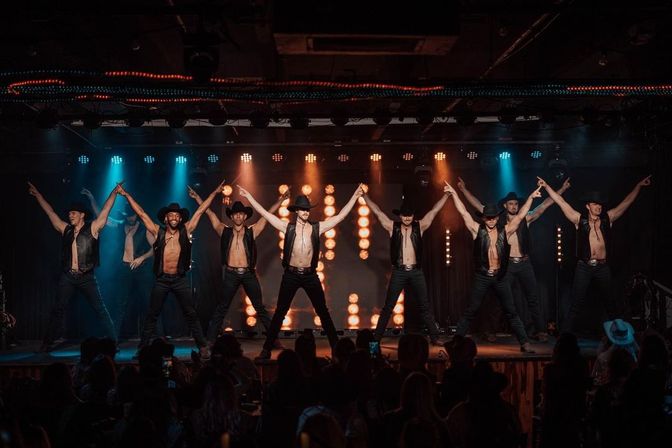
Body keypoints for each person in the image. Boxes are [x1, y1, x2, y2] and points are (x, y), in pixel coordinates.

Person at [238, 184, 365, 360]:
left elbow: (340, 216)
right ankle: (266, 349)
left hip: (310, 275)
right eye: (303, 210)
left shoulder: (316, 228)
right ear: (296, 211)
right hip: (291, 275)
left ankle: (336, 348)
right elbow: (265, 214)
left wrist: (355, 196)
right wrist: (249, 197)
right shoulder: (287, 227)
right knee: (280, 312)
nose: (306, 212)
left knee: (323, 312)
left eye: (308, 210)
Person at [116, 180, 225, 356]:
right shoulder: (157, 232)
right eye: (171, 215)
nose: (174, 218)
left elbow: (201, 210)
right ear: (166, 218)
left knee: (191, 314)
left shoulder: (186, 230)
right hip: (162, 280)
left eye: (176, 215)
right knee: (152, 315)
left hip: (179, 280)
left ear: (180, 218)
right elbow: (142, 213)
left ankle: (203, 346)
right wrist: (127, 195)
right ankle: (142, 348)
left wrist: (214, 192)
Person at [457, 177, 572, 341]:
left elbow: (545, 204)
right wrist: (463, 190)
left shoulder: (526, 217)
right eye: (511, 204)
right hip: (507, 264)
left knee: (533, 298)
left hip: (524, 263)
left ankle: (540, 331)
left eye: (516, 204)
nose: (514, 206)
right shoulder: (497, 220)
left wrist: (561, 190)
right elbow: (478, 205)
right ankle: (491, 332)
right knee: (498, 299)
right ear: (505, 205)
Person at [537, 175, 651, 331]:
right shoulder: (579, 220)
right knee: (576, 304)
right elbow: (560, 202)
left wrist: (638, 185)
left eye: (600, 204)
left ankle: (620, 337)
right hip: (584, 266)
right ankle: (565, 337)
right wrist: (546, 186)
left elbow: (626, 203)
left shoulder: (607, 219)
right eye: (595, 204)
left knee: (611, 304)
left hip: (603, 268)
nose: (599, 207)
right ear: (588, 206)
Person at [447, 181, 542, 352]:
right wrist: (455, 193)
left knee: (511, 310)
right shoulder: (477, 230)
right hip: (482, 277)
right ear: (483, 218)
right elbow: (463, 212)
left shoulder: (505, 231)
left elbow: (520, 216)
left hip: (500, 276)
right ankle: (456, 342)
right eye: (487, 218)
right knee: (471, 310)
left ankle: (524, 343)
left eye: (493, 217)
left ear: (498, 218)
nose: (490, 220)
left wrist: (531, 198)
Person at [187, 186, 289, 343]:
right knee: (221, 309)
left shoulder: (252, 231)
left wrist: (281, 200)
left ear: (244, 216)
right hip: (231, 274)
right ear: (232, 216)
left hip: (248, 274)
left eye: (241, 214)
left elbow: (267, 215)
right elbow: (208, 213)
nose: (238, 216)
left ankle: (274, 340)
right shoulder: (224, 230)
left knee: (260, 309)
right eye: (236, 214)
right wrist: (197, 198)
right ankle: (210, 341)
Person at [28, 181, 121, 352]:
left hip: (87, 277)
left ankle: (113, 342)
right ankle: (47, 343)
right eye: (70, 213)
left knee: (100, 310)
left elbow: (105, 211)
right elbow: (50, 213)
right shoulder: (65, 229)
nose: (70, 216)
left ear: (82, 215)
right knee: (58, 309)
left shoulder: (93, 227)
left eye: (73, 213)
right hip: (68, 277)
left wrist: (114, 193)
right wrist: (39, 196)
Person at [363, 185, 451, 345]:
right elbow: (377, 212)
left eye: (409, 215)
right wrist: (365, 196)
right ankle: (375, 341)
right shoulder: (392, 227)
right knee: (388, 307)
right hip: (399, 272)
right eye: (404, 215)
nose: (407, 218)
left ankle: (435, 338)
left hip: (416, 272)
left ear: (413, 216)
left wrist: (446, 196)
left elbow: (434, 211)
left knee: (425, 306)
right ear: (400, 216)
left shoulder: (420, 226)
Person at [83, 188, 156, 339]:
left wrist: (142, 258)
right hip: (124, 269)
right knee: (120, 305)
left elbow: (156, 249)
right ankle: (114, 338)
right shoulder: (119, 225)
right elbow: (101, 216)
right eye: (128, 216)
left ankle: (152, 336)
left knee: (148, 303)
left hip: (141, 270)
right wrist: (92, 199)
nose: (130, 218)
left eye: (132, 216)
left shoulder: (145, 229)